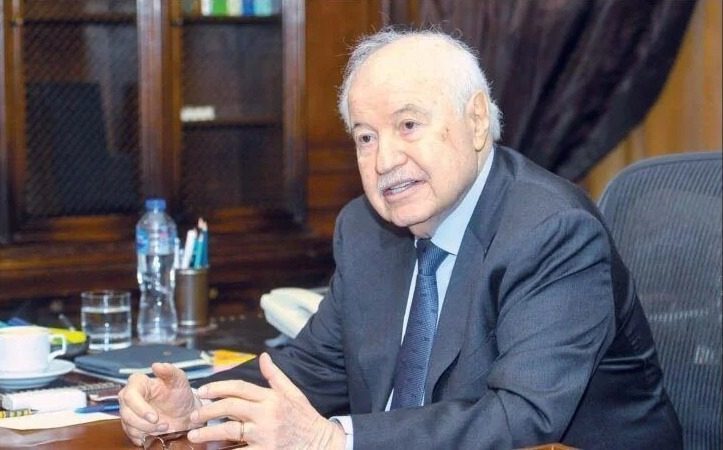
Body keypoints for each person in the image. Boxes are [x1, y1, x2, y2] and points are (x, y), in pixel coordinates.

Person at [119, 29, 682, 449]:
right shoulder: (366, 229)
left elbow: (523, 416)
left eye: (408, 126)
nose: (385, 159)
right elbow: (313, 368)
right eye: (365, 137)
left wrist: (333, 441)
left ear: (476, 122)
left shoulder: (551, 231)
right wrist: (198, 405)